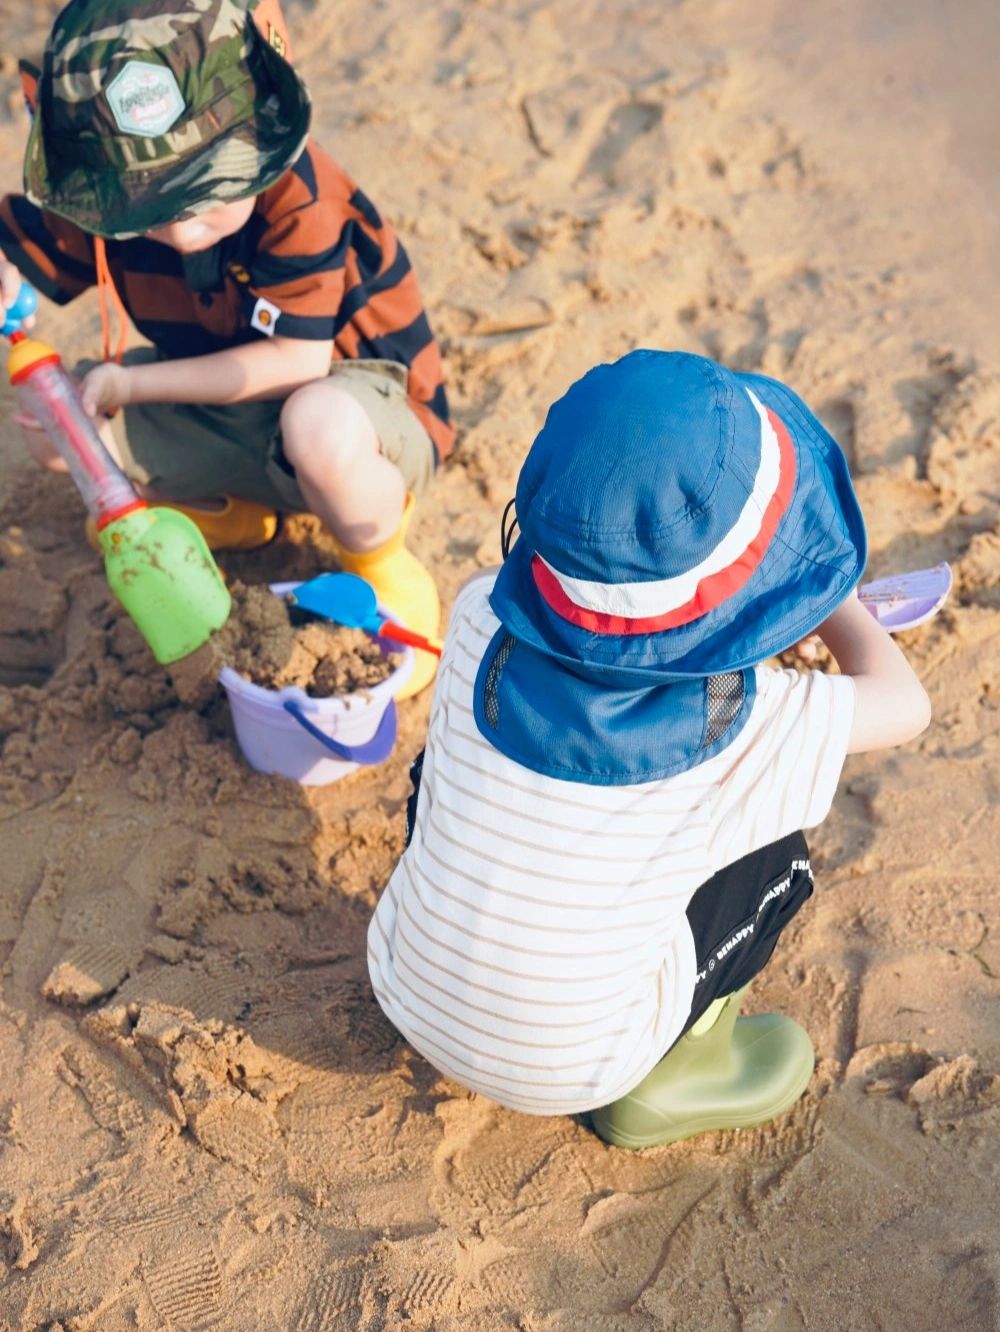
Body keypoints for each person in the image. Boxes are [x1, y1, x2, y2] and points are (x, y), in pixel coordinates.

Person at [367, 349, 931, 1147]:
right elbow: (906, 703)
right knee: (774, 848)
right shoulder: (755, 717)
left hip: (403, 980)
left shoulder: (476, 617)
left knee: (459, 771)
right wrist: (824, 601)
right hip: (580, 1062)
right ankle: (680, 1071)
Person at [0, 0, 453, 697]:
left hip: (360, 406)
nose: (181, 230)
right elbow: (25, 243)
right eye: (148, 205)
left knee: (317, 426)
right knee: (59, 436)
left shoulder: (301, 193)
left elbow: (296, 363)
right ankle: (233, 514)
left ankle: (381, 557)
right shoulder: (105, 212)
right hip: (232, 413)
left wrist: (128, 386)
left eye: (206, 188)